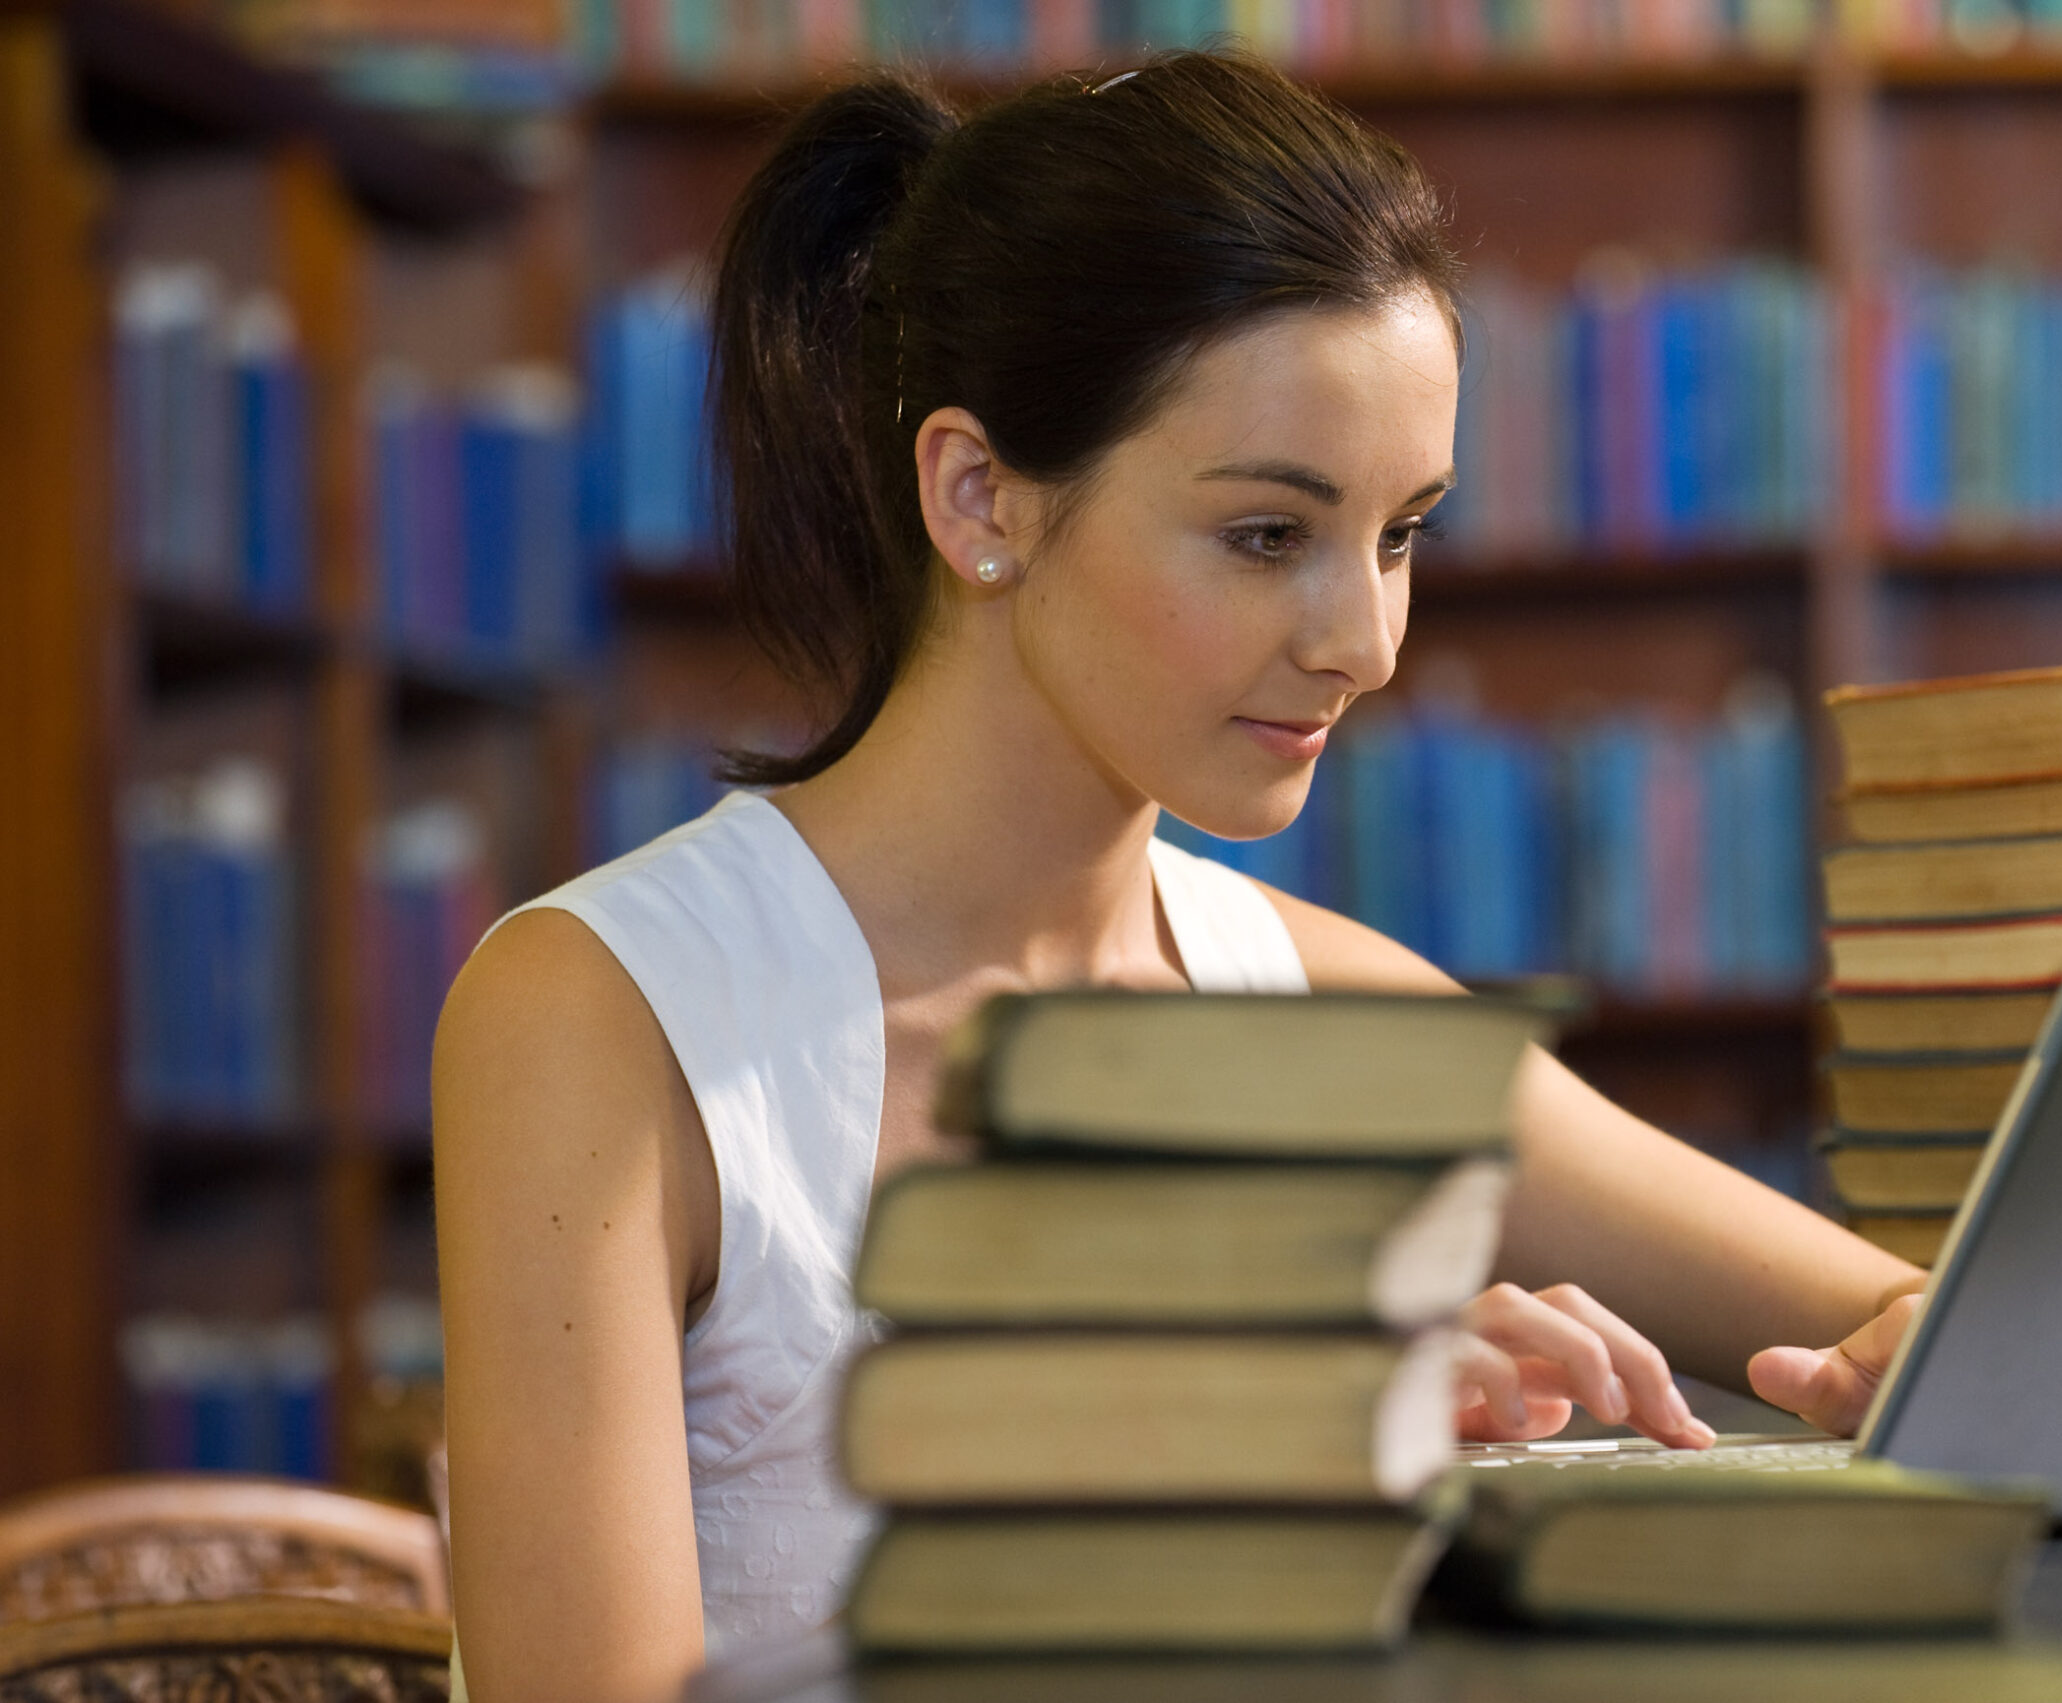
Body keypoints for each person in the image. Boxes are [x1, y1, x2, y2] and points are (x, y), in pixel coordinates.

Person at [434, 51, 1924, 1703]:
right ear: (980, 495)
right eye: (1268, 537)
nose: (1362, 642)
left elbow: (1925, 1327)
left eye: (1402, 533)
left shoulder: (1339, 1015)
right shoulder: (605, 1016)